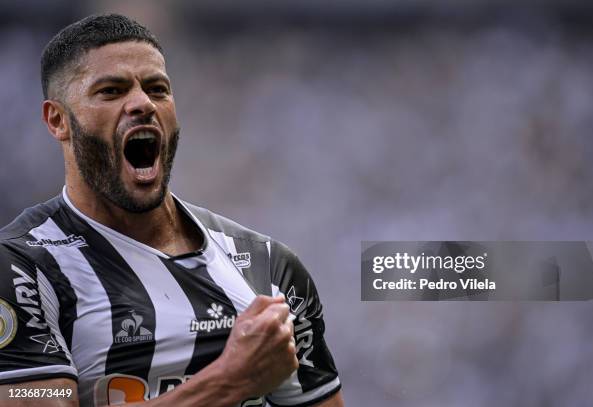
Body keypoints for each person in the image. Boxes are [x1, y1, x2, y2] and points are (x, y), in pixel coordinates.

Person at [0, 14, 343, 407]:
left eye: (157, 89)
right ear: (58, 120)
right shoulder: (21, 266)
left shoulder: (268, 266)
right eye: (111, 91)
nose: (143, 104)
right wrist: (229, 380)